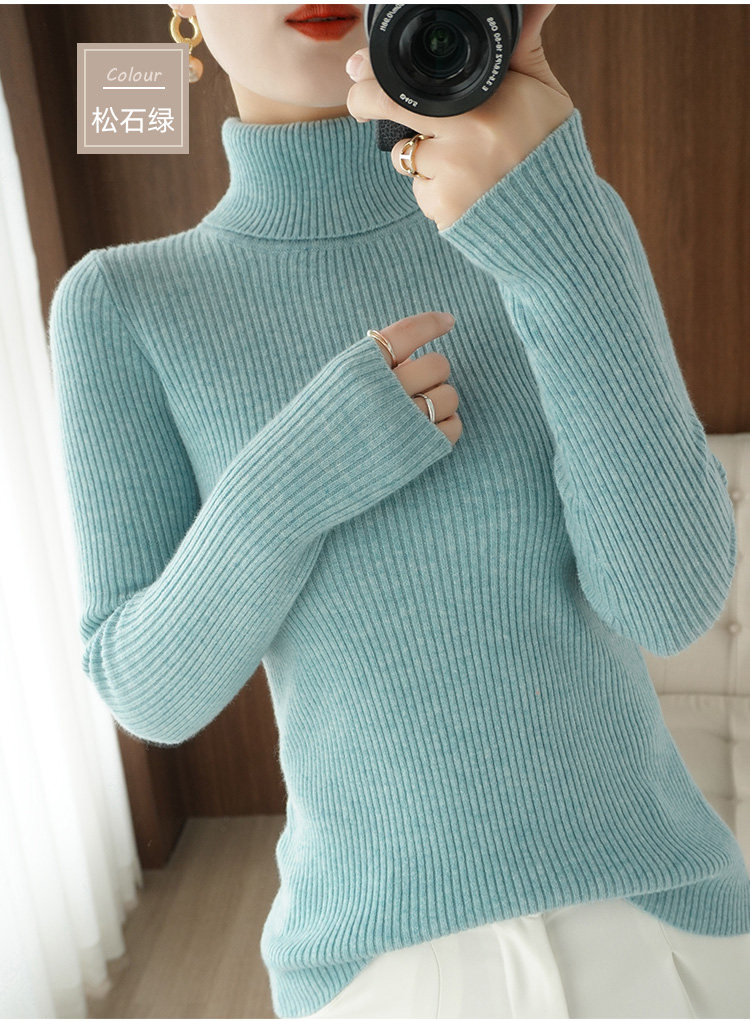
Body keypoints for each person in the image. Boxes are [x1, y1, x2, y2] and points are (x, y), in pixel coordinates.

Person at [47, 4, 750, 1018]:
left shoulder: (542, 209)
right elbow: (150, 692)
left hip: (665, 933)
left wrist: (561, 234)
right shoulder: (123, 305)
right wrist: (289, 482)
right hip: (382, 969)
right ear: (183, 11)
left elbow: (671, 602)